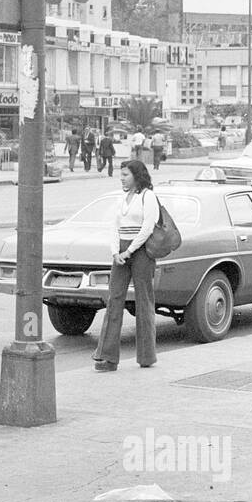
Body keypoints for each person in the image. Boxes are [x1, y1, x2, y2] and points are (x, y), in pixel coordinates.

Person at [92, 158, 159, 372]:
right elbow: (114, 226)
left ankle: (146, 356)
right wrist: (115, 252)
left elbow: (148, 227)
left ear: (136, 176)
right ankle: (107, 357)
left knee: (143, 301)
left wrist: (129, 251)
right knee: (114, 300)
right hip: (120, 251)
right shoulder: (121, 199)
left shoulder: (148, 197)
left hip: (141, 252)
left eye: (125, 175)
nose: (121, 179)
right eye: (120, 175)